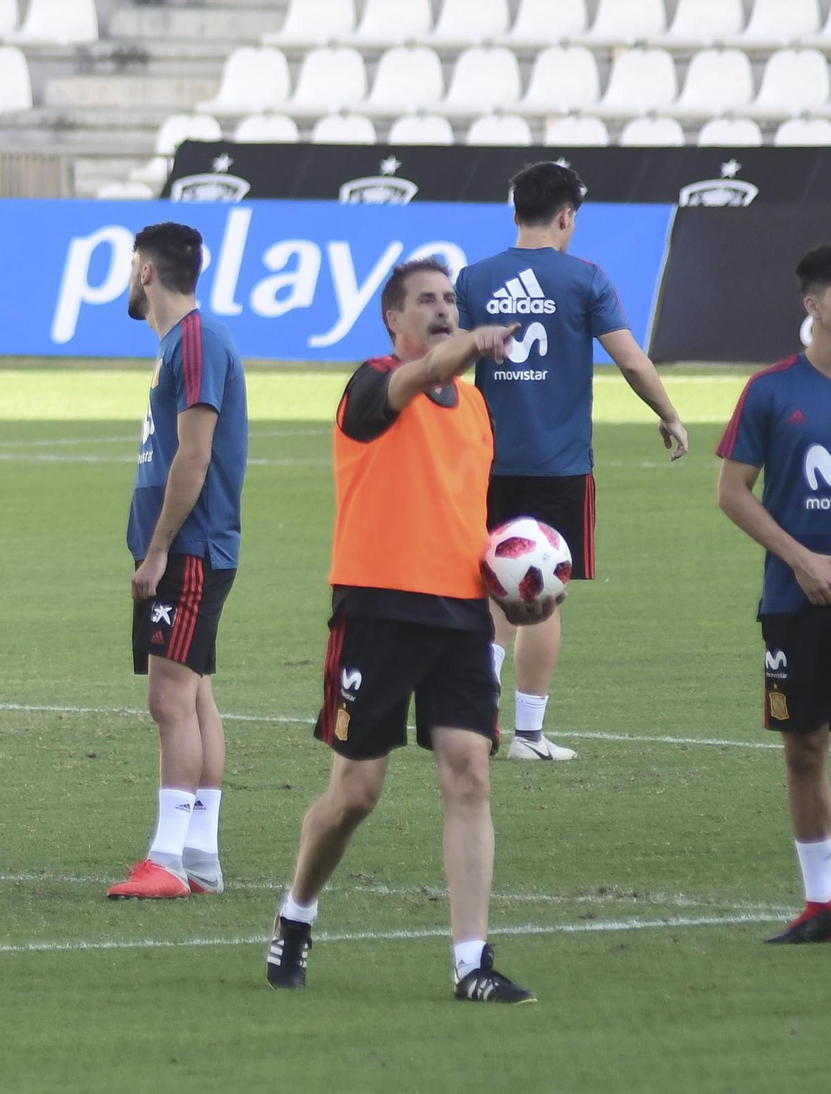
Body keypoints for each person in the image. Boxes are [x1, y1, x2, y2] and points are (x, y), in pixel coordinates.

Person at [266, 257, 549, 1002]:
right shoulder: (371, 386)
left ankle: (471, 962)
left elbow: (471, 523)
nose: (443, 309)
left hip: (459, 615)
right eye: (427, 300)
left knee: (470, 770)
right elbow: (418, 378)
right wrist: (470, 344)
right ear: (394, 319)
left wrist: (513, 597)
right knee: (356, 793)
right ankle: (296, 913)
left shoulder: (477, 410)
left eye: (451, 300)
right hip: (378, 611)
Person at [456, 162, 689, 762]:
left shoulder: (475, 279)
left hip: (488, 464)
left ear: (515, 214)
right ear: (566, 217)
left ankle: (475, 720)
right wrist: (668, 413)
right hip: (558, 467)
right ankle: (528, 735)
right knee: (542, 591)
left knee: (493, 587)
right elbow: (633, 363)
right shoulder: (585, 279)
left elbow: (447, 364)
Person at [105, 222, 248, 901]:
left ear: (145, 272)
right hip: (195, 544)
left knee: (169, 697)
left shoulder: (193, 341)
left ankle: (167, 857)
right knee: (195, 696)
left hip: (188, 547)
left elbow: (194, 454)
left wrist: (159, 548)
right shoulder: (189, 342)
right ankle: (198, 855)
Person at [717, 244, 831, 944]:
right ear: (813, 305)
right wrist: (801, 557)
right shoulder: (771, 390)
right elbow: (732, 493)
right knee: (803, 745)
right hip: (797, 598)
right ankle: (821, 903)